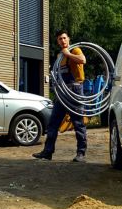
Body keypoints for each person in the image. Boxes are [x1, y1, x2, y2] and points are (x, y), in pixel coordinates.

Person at [33, 31, 87, 162]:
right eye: (60, 39)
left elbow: (83, 60)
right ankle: (47, 152)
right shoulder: (59, 56)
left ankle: (81, 153)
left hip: (74, 89)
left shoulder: (75, 50)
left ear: (68, 39)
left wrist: (68, 53)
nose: (62, 41)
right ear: (57, 41)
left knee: (78, 123)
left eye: (64, 38)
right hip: (62, 91)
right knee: (53, 123)